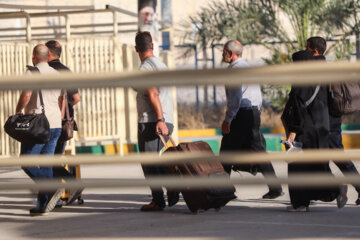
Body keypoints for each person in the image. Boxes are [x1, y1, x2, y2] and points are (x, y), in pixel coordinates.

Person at [284, 50, 348, 211]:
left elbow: (298, 109)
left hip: (304, 130)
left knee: (297, 166)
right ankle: (335, 189)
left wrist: (293, 131)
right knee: (315, 165)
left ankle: (300, 203)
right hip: (321, 129)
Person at [220, 40, 284, 199]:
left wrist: (228, 119)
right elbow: (257, 95)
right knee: (257, 151)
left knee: (226, 151)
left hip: (241, 114)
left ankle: (224, 190)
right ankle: (275, 187)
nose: (222, 55)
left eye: (224, 52)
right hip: (253, 113)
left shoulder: (234, 70)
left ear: (231, 53)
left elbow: (235, 98)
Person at [307, 36, 360, 205]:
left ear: (314, 51)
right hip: (332, 120)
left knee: (338, 158)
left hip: (326, 122)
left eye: (307, 48)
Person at [16, 44, 63, 216]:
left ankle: (50, 189)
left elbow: (27, 95)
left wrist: (18, 111)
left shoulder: (32, 72)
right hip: (55, 123)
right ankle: (44, 205)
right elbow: (60, 98)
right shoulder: (57, 74)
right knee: (46, 164)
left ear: (34, 56)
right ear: (49, 55)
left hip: (38, 125)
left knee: (26, 161)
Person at [134, 31, 176, 211]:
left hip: (152, 122)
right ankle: (171, 185)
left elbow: (153, 93)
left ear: (136, 49)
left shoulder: (145, 69)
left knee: (149, 163)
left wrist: (159, 119)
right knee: (156, 161)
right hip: (167, 120)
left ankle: (158, 200)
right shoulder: (161, 65)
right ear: (152, 46)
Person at [45, 40, 82, 204]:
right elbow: (76, 98)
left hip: (49, 122)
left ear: (48, 54)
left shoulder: (46, 71)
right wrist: (65, 108)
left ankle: (56, 195)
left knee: (46, 160)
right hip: (66, 123)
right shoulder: (67, 71)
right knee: (54, 159)